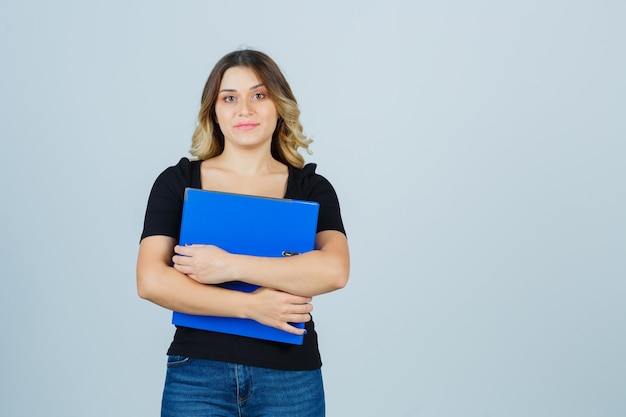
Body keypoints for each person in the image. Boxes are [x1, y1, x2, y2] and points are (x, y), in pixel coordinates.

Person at [136, 49, 350, 417]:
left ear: (278, 106)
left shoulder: (312, 188)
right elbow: (151, 280)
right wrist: (250, 306)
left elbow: (334, 271)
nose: (244, 109)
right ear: (214, 111)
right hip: (196, 374)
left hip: (290, 379)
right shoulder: (178, 182)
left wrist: (230, 265)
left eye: (259, 95)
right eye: (229, 97)